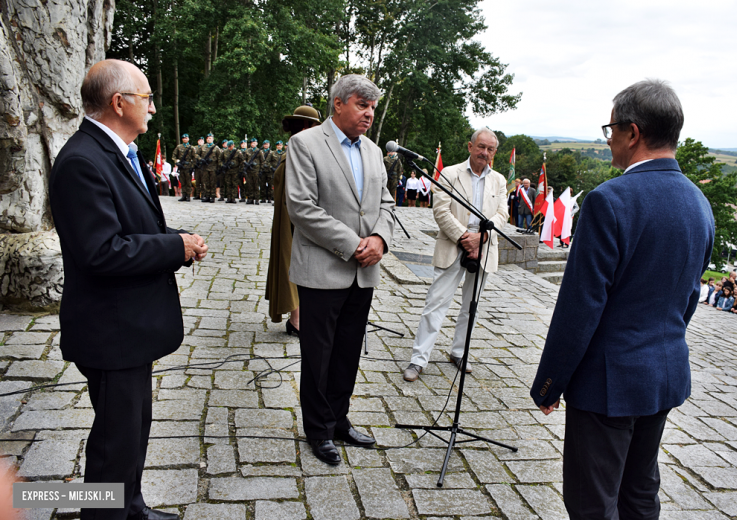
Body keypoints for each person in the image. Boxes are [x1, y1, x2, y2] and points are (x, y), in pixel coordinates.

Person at [530, 80, 714, 520]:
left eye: (611, 128)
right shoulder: (699, 203)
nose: (608, 138)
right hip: (663, 374)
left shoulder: (608, 201)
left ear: (632, 132)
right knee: (639, 492)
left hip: (607, 383)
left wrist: (551, 381)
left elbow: (581, 306)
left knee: (591, 501)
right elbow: (687, 298)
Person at [49, 59, 208, 520]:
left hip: (128, 326)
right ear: (119, 103)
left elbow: (135, 225)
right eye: (147, 98)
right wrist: (173, 249)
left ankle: (130, 507)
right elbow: (101, 251)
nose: (153, 108)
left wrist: (178, 239)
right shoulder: (83, 161)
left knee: (133, 428)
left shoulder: (113, 151)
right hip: (110, 329)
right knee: (114, 442)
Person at [286, 74, 394, 466]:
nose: (368, 114)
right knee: (319, 354)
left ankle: (338, 420)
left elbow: (386, 204)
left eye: (371, 108)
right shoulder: (305, 143)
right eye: (361, 105)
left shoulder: (373, 150)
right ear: (338, 104)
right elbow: (301, 207)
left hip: (364, 272)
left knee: (348, 351)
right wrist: (353, 245)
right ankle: (317, 430)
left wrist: (380, 239)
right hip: (324, 268)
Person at [403, 127, 508, 382]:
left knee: (471, 308)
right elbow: (440, 211)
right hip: (453, 245)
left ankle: (459, 352)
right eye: (481, 147)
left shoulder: (499, 180)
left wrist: (480, 238)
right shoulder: (449, 173)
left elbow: (502, 216)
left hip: (483, 247)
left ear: (494, 152)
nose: (485, 152)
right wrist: (465, 238)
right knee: (436, 303)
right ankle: (418, 360)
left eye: (490, 149)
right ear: (470, 147)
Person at [265, 105, 322, 334]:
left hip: (292, 217)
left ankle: (297, 317)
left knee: (294, 262)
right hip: (294, 219)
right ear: (306, 127)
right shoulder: (300, 150)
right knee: (294, 263)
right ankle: (297, 319)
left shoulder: (297, 150)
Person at [172, 134, 196, 202]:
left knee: (188, 182)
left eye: (186, 138)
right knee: (182, 182)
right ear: (182, 139)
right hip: (181, 167)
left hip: (188, 167)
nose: (185, 139)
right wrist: (176, 162)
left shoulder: (191, 148)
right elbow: (174, 155)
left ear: (188, 139)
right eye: (184, 138)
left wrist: (192, 167)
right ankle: (184, 195)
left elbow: (194, 158)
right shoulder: (179, 147)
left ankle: (188, 196)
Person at [198, 133, 220, 203]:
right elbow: (196, 154)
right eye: (207, 138)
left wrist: (218, 168)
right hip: (205, 168)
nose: (208, 139)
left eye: (210, 138)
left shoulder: (216, 148)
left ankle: (212, 197)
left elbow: (220, 158)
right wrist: (201, 159)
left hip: (213, 168)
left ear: (213, 139)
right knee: (206, 183)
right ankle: (207, 196)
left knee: (212, 183)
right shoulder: (202, 147)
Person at [244, 138, 263, 204]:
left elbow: (262, 161)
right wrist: (246, 164)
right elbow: (244, 159)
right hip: (249, 170)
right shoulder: (247, 151)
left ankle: (257, 199)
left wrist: (261, 170)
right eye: (252, 143)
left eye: (254, 143)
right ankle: (250, 198)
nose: (253, 144)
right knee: (249, 185)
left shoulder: (259, 151)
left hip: (256, 170)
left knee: (256, 185)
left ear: (256, 143)